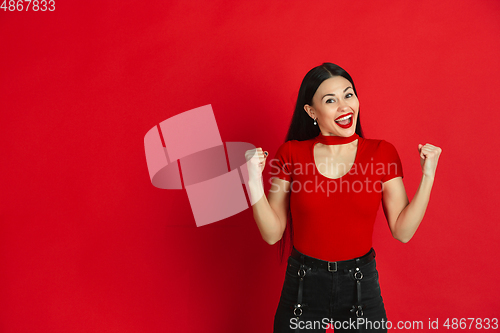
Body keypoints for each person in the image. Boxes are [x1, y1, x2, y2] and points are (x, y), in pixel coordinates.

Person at [245, 63, 442, 332]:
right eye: (330, 100)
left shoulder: (381, 153)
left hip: (361, 286)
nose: (344, 106)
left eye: (348, 95)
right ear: (311, 111)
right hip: (303, 286)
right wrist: (252, 181)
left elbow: (402, 231)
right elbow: (272, 234)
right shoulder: (290, 154)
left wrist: (428, 175)